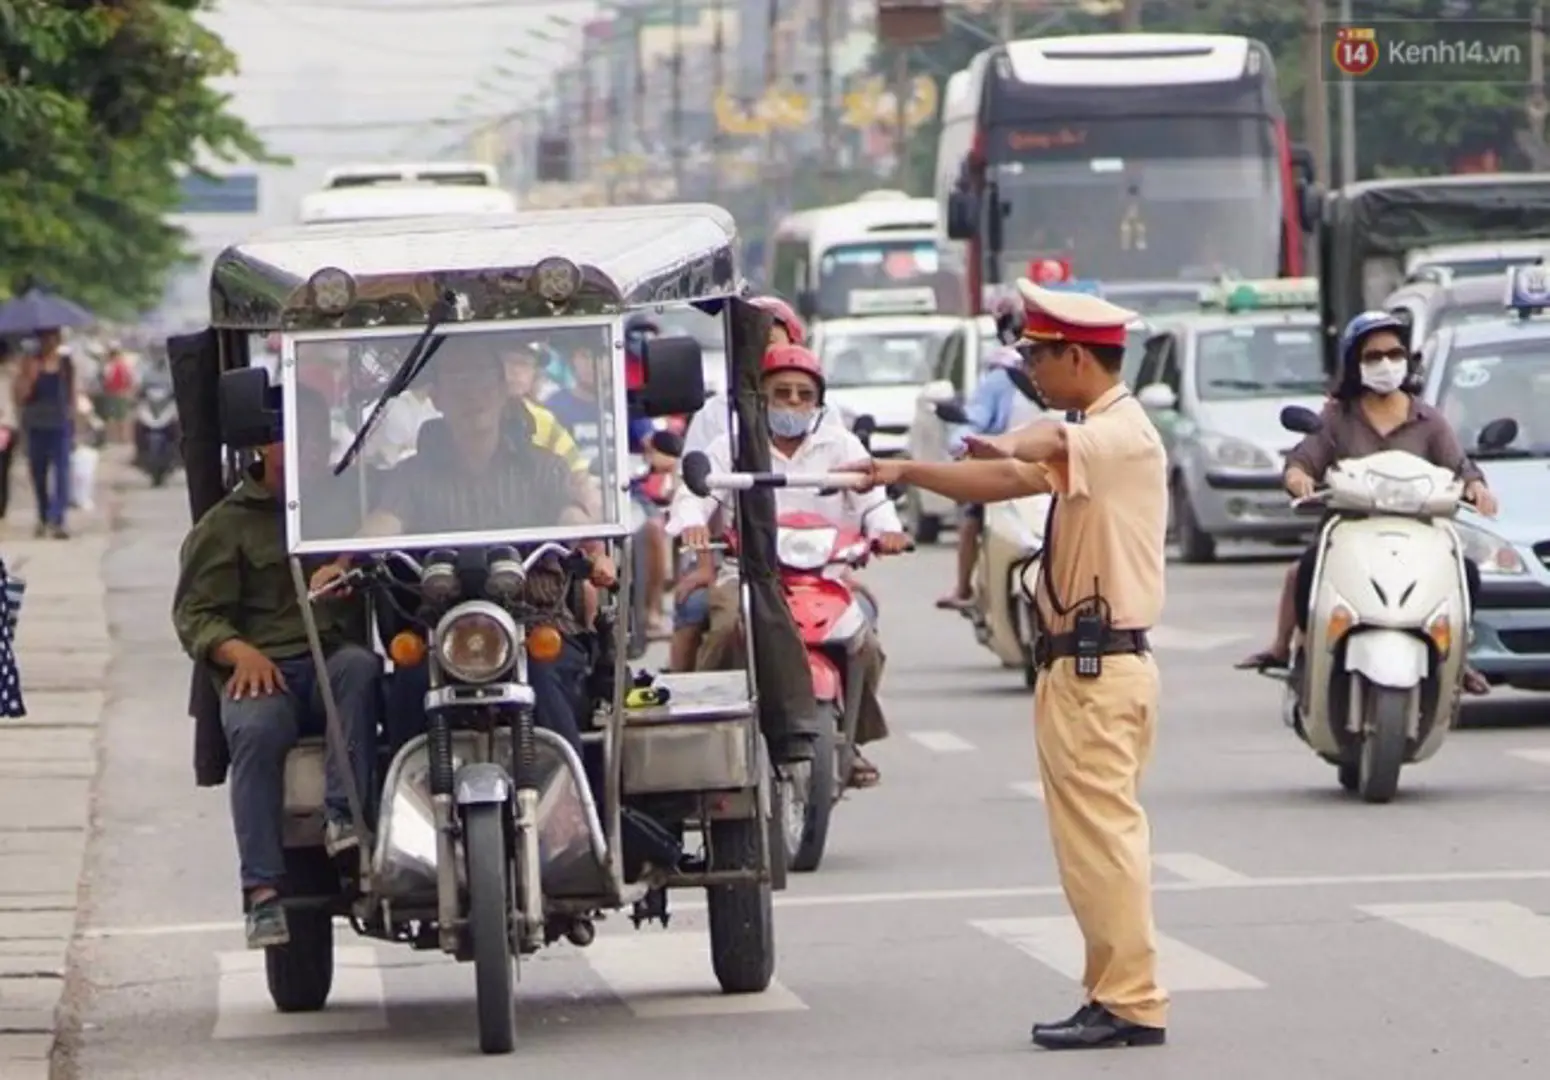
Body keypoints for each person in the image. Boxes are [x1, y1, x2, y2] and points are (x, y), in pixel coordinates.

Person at [846, 280, 1171, 1049]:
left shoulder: (1115, 433)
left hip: (1100, 668)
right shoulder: (1093, 429)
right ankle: (1112, 992)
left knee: (1103, 841)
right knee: (1089, 844)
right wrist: (905, 472)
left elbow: (1039, 445)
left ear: (1076, 357)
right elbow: (1007, 478)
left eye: (1036, 353)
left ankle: (1130, 999)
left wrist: (1012, 440)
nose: (1028, 365)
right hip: (1080, 668)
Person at [310, 342, 616, 767]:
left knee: (548, 680)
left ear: (502, 387)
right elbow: (385, 520)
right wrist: (341, 564)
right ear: (436, 396)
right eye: (456, 380)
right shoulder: (413, 475)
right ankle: (409, 810)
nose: (471, 392)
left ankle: (567, 811)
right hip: (442, 631)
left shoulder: (542, 466)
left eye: (480, 378)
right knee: (408, 685)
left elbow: (571, 515)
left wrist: (592, 550)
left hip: (534, 621)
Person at [171, 385, 379, 950]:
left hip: (328, 658)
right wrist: (238, 652)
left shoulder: (344, 505)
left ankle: (344, 821)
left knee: (360, 669)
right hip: (262, 669)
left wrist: (346, 559)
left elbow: (392, 531)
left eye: (315, 438)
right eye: (292, 438)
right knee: (257, 732)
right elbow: (196, 613)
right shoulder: (225, 525)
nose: (306, 451)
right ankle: (261, 889)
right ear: (264, 446)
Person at [668, 343, 911, 788]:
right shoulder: (733, 446)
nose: (794, 403)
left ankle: (849, 737)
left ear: (819, 402)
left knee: (866, 641)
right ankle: (706, 734)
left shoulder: (842, 445)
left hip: (825, 576)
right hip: (746, 575)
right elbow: (693, 496)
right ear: (761, 398)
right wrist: (692, 526)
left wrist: (887, 531)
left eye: (804, 394)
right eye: (783, 393)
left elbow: (874, 499)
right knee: (724, 629)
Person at [1237, 311, 1496, 695]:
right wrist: (1299, 478)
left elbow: (1460, 467)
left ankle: (1458, 660)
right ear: (1354, 364)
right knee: (1304, 570)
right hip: (1350, 535)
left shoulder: (1430, 421)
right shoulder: (1337, 419)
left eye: (1394, 353)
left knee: (1467, 574)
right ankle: (1292, 651)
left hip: (1420, 540)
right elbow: (1303, 460)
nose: (1385, 363)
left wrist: (1476, 487)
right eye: (1373, 356)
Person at [672, 296, 812, 670]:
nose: (793, 403)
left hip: (812, 559)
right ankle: (698, 705)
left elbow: (856, 483)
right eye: (754, 342)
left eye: (773, 340)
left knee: (861, 624)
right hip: (734, 557)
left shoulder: (822, 417)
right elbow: (696, 486)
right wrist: (705, 562)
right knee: (706, 616)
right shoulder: (717, 420)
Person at [939, 292, 1033, 610]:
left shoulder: (1072, 381)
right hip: (1007, 469)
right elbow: (972, 421)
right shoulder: (1000, 376)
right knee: (972, 518)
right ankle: (964, 586)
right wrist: (966, 445)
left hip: (1054, 469)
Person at [13, 329, 76, 538]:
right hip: (36, 424)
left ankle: (57, 519)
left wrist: (74, 417)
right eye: (45, 338)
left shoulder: (66, 363)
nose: (50, 342)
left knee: (62, 473)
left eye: (53, 337)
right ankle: (42, 515)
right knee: (38, 473)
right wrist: (31, 377)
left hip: (59, 423)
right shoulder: (30, 362)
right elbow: (20, 396)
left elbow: (72, 392)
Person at [0, 342, 18, 524]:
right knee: (5, 469)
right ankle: (2, 504)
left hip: (4, 427)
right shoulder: (14, 373)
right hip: (9, 426)